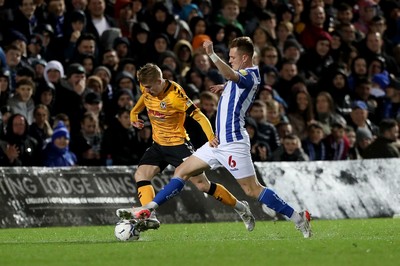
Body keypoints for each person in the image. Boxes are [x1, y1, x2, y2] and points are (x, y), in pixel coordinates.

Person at [120, 37, 312, 238]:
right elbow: (233, 80)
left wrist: (211, 54)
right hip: (216, 142)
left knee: (252, 190)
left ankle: (298, 218)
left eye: (232, 57)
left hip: (233, 143)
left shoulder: (251, 75)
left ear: (245, 57)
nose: (230, 60)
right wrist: (225, 86)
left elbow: (234, 75)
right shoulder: (238, 77)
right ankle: (148, 210)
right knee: (181, 172)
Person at [117, 63, 255, 232]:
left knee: (203, 185)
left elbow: (199, 116)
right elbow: (144, 98)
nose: (145, 90)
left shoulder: (176, 95)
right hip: (158, 145)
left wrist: (211, 137)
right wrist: (134, 113)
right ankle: (149, 216)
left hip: (179, 145)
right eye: (143, 87)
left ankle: (241, 208)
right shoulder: (146, 85)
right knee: (141, 175)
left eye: (148, 87)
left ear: (159, 81)